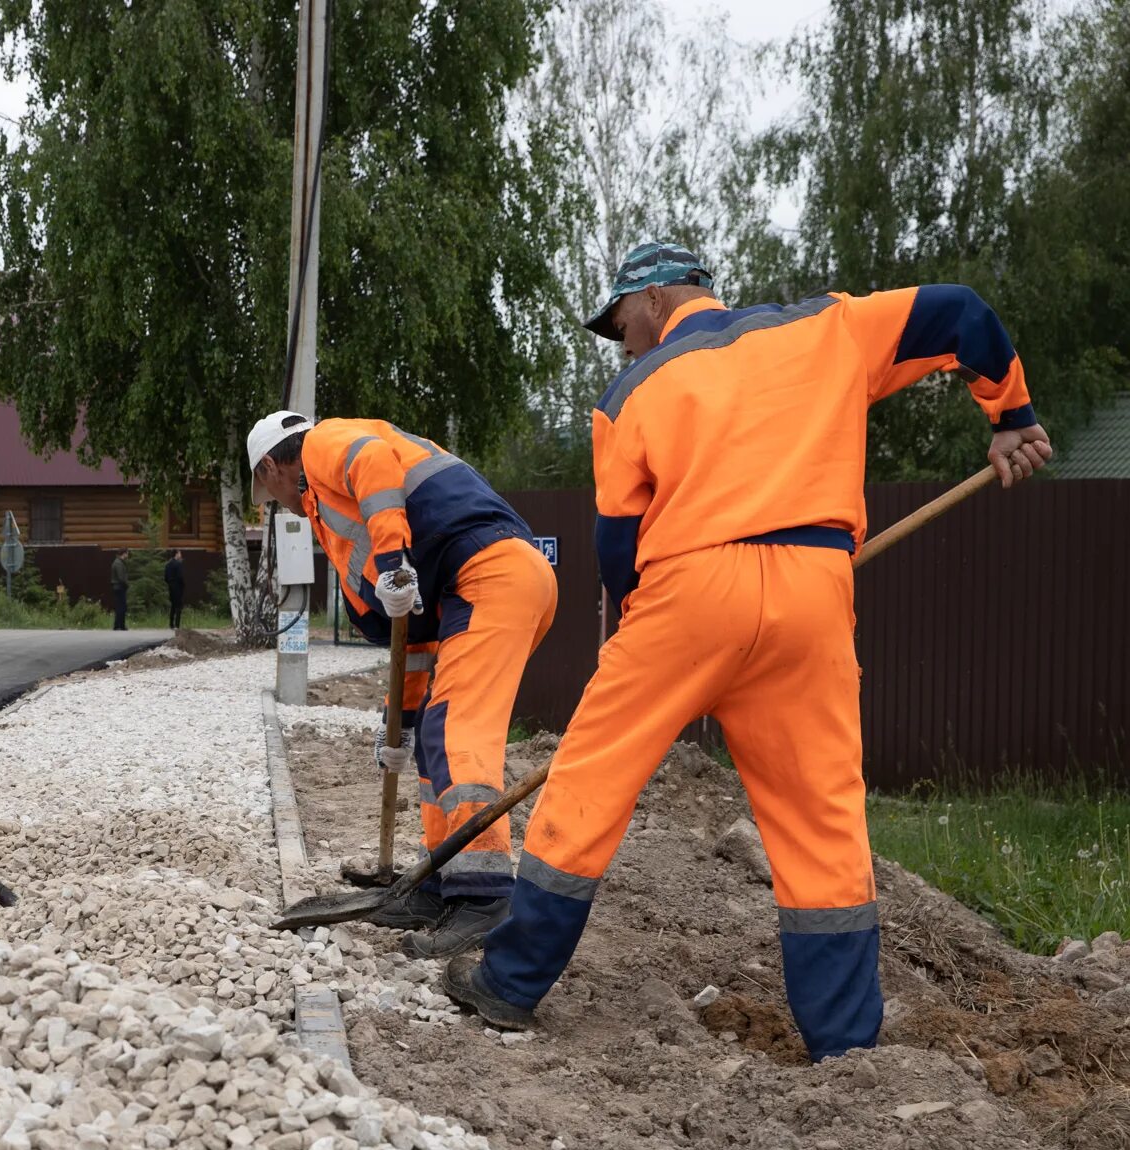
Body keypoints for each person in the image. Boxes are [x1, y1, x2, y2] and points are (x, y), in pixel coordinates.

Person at [448, 242, 1053, 1062]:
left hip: (684, 592)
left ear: (655, 297)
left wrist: (639, 631)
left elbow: (618, 541)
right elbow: (960, 314)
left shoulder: (631, 392)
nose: (621, 340)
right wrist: (1008, 415)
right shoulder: (826, 327)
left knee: (588, 778)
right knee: (820, 821)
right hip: (811, 589)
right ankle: (844, 1047)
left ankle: (508, 984)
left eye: (620, 321)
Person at [249, 411, 557, 959]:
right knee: (433, 737)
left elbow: (370, 458)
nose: (277, 504)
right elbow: (409, 639)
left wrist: (391, 560)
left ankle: (486, 897)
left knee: (459, 730)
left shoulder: (323, 445)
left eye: (268, 492)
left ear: (273, 466)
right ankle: (441, 883)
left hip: (492, 573)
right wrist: (401, 723)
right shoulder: (334, 512)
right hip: (477, 585)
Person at [164, 549, 186, 629]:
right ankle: (177, 625)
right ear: (176, 554)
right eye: (180, 553)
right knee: (179, 606)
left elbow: (165, 578)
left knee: (173, 605)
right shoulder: (178, 564)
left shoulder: (168, 564)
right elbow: (180, 577)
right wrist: (183, 585)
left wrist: (170, 583)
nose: (181, 555)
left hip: (170, 586)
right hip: (177, 586)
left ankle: (171, 624)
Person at [109, 550, 130, 630]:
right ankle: (121, 625)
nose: (127, 556)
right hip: (119, 587)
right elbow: (121, 577)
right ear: (123, 554)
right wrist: (126, 584)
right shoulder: (118, 563)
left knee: (119, 606)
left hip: (118, 587)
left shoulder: (118, 562)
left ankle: (117, 625)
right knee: (122, 607)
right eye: (127, 554)